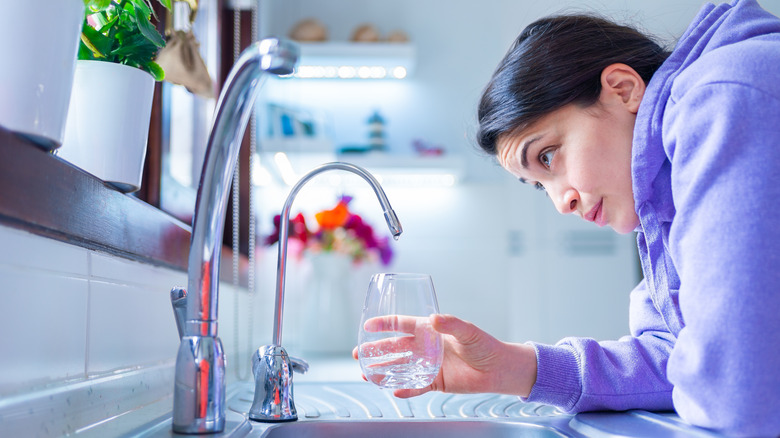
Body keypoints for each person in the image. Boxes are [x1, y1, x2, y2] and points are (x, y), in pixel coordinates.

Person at [354, 0, 780, 436]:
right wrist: (511, 368)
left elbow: (739, 390)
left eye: (549, 155)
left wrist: (703, 375)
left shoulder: (724, 98)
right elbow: (673, 353)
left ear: (622, 88)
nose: (562, 204)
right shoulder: (662, 192)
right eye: (539, 185)